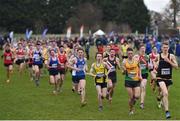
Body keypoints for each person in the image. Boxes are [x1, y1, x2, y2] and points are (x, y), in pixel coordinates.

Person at [156, 42, 178, 119]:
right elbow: (154, 64)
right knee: (165, 93)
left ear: (168, 48)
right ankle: (167, 112)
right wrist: (155, 65)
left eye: (166, 47)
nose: (165, 49)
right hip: (160, 78)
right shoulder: (158, 56)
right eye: (164, 47)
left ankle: (159, 97)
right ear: (161, 48)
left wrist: (169, 61)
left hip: (168, 78)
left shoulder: (171, 56)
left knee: (164, 93)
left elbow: (176, 67)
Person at [122, 48, 142, 115]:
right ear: (127, 54)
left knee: (137, 96)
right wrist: (124, 71)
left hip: (136, 80)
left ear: (133, 53)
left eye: (131, 53)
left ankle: (133, 102)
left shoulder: (136, 60)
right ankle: (131, 110)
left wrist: (140, 75)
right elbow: (123, 72)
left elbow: (139, 68)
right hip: (128, 81)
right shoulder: (124, 62)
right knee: (131, 97)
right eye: (129, 53)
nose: (130, 55)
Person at [134, 45, 149, 109]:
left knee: (143, 87)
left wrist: (150, 66)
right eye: (142, 49)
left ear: (145, 50)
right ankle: (135, 98)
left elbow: (150, 66)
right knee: (137, 91)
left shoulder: (147, 57)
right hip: (137, 75)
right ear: (139, 50)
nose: (143, 50)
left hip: (144, 74)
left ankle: (142, 103)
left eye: (144, 49)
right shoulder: (136, 56)